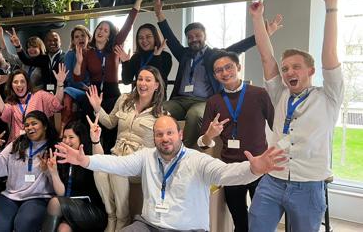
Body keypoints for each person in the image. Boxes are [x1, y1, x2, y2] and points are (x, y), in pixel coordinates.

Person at [54, 115, 286, 231]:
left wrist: (253, 169)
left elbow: (226, 173)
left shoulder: (197, 160)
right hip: (148, 225)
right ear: (153, 138)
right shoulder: (146, 156)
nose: (165, 139)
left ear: (180, 134)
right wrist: (85, 160)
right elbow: (116, 164)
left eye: (169, 133)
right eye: (159, 134)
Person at [248, 0, 344, 231]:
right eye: (285, 68)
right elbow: (266, 57)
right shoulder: (280, 93)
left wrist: (331, 7)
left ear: (311, 71)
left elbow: (330, 56)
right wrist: (257, 18)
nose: (289, 71)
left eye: (296, 67)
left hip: (309, 184)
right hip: (273, 179)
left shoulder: (329, 96)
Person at [153, 0, 282, 149]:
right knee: (159, 109)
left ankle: (183, 151)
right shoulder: (184, 54)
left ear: (205, 36)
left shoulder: (214, 55)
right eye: (190, 37)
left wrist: (264, 34)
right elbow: (171, 38)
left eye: (197, 35)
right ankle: (160, 147)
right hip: (179, 100)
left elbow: (239, 46)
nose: (194, 39)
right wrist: (159, 14)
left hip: (202, 101)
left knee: (194, 116)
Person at [197, 50, 274, 232]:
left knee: (261, 219)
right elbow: (202, 142)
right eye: (218, 70)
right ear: (214, 75)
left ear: (238, 67)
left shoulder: (259, 94)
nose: (224, 73)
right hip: (231, 169)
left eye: (228, 67)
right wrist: (210, 134)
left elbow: (277, 127)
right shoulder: (214, 101)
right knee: (239, 220)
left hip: (259, 168)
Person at [85, 66, 166, 231]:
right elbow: (109, 123)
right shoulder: (124, 100)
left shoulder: (160, 115)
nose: (142, 83)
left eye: (148, 80)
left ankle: (123, 218)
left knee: (117, 170)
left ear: (157, 85)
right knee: (99, 170)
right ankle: (112, 216)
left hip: (138, 165)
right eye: (140, 79)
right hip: (117, 156)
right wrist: (97, 108)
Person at [73, 0, 142, 154]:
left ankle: (110, 163)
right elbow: (78, 78)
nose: (101, 31)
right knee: (91, 130)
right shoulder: (87, 52)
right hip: (94, 93)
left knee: (111, 131)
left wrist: (138, 0)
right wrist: (79, 61)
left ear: (110, 35)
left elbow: (128, 24)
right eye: (99, 28)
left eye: (105, 30)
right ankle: (89, 165)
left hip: (112, 93)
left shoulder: (114, 47)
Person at [0, 110, 61, 232]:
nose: (30, 127)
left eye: (34, 123)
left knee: (24, 225)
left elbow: (59, 186)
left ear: (45, 126)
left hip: (38, 197)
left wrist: (47, 171)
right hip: (11, 195)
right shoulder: (16, 143)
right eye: (26, 125)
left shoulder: (53, 147)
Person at [41, 118, 107, 232]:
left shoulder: (88, 157)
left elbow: (100, 159)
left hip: (91, 210)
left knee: (55, 202)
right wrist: (54, 173)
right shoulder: (62, 158)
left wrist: (96, 140)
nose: (66, 141)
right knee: (63, 228)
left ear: (81, 139)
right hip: (70, 208)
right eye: (64, 137)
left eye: (71, 137)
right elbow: (61, 192)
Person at [0, 67, 65, 144]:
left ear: (27, 83)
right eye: (15, 82)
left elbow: (56, 104)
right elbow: (3, 112)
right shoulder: (12, 103)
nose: (19, 85)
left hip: (38, 143)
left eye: (22, 81)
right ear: (11, 86)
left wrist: (60, 84)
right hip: (17, 145)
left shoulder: (40, 95)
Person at [118, 23, 172, 90]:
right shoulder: (136, 57)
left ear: (155, 37)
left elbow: (158, 79)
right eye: (140, 38)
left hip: (157, 98)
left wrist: (156, 57)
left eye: (148, 36)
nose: (144, 40)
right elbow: (126, 81)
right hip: (139, 96)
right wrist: (125, 62)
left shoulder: (165, 56)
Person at [60, 25, 92, 129]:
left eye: (83, 35)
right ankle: (64, 125)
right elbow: (70, 78)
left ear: (88, 37)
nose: (80, 39)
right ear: (73, 41)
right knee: (68, 91)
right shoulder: (69, 54)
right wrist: (84, 87)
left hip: (92, 89)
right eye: (76, 37)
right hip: (75, 88)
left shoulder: (92, 53)